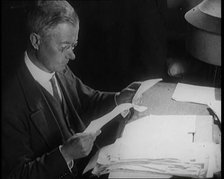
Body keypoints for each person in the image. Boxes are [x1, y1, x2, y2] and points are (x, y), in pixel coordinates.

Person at [1, 1, 141, 178]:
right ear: (36, 41)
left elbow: (87, 100)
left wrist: (118, 99)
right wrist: (65, 154)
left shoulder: (57, 66)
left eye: (73, 45)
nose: (72, 55)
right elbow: (16, 174)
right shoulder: (9, 102)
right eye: (64, 47)